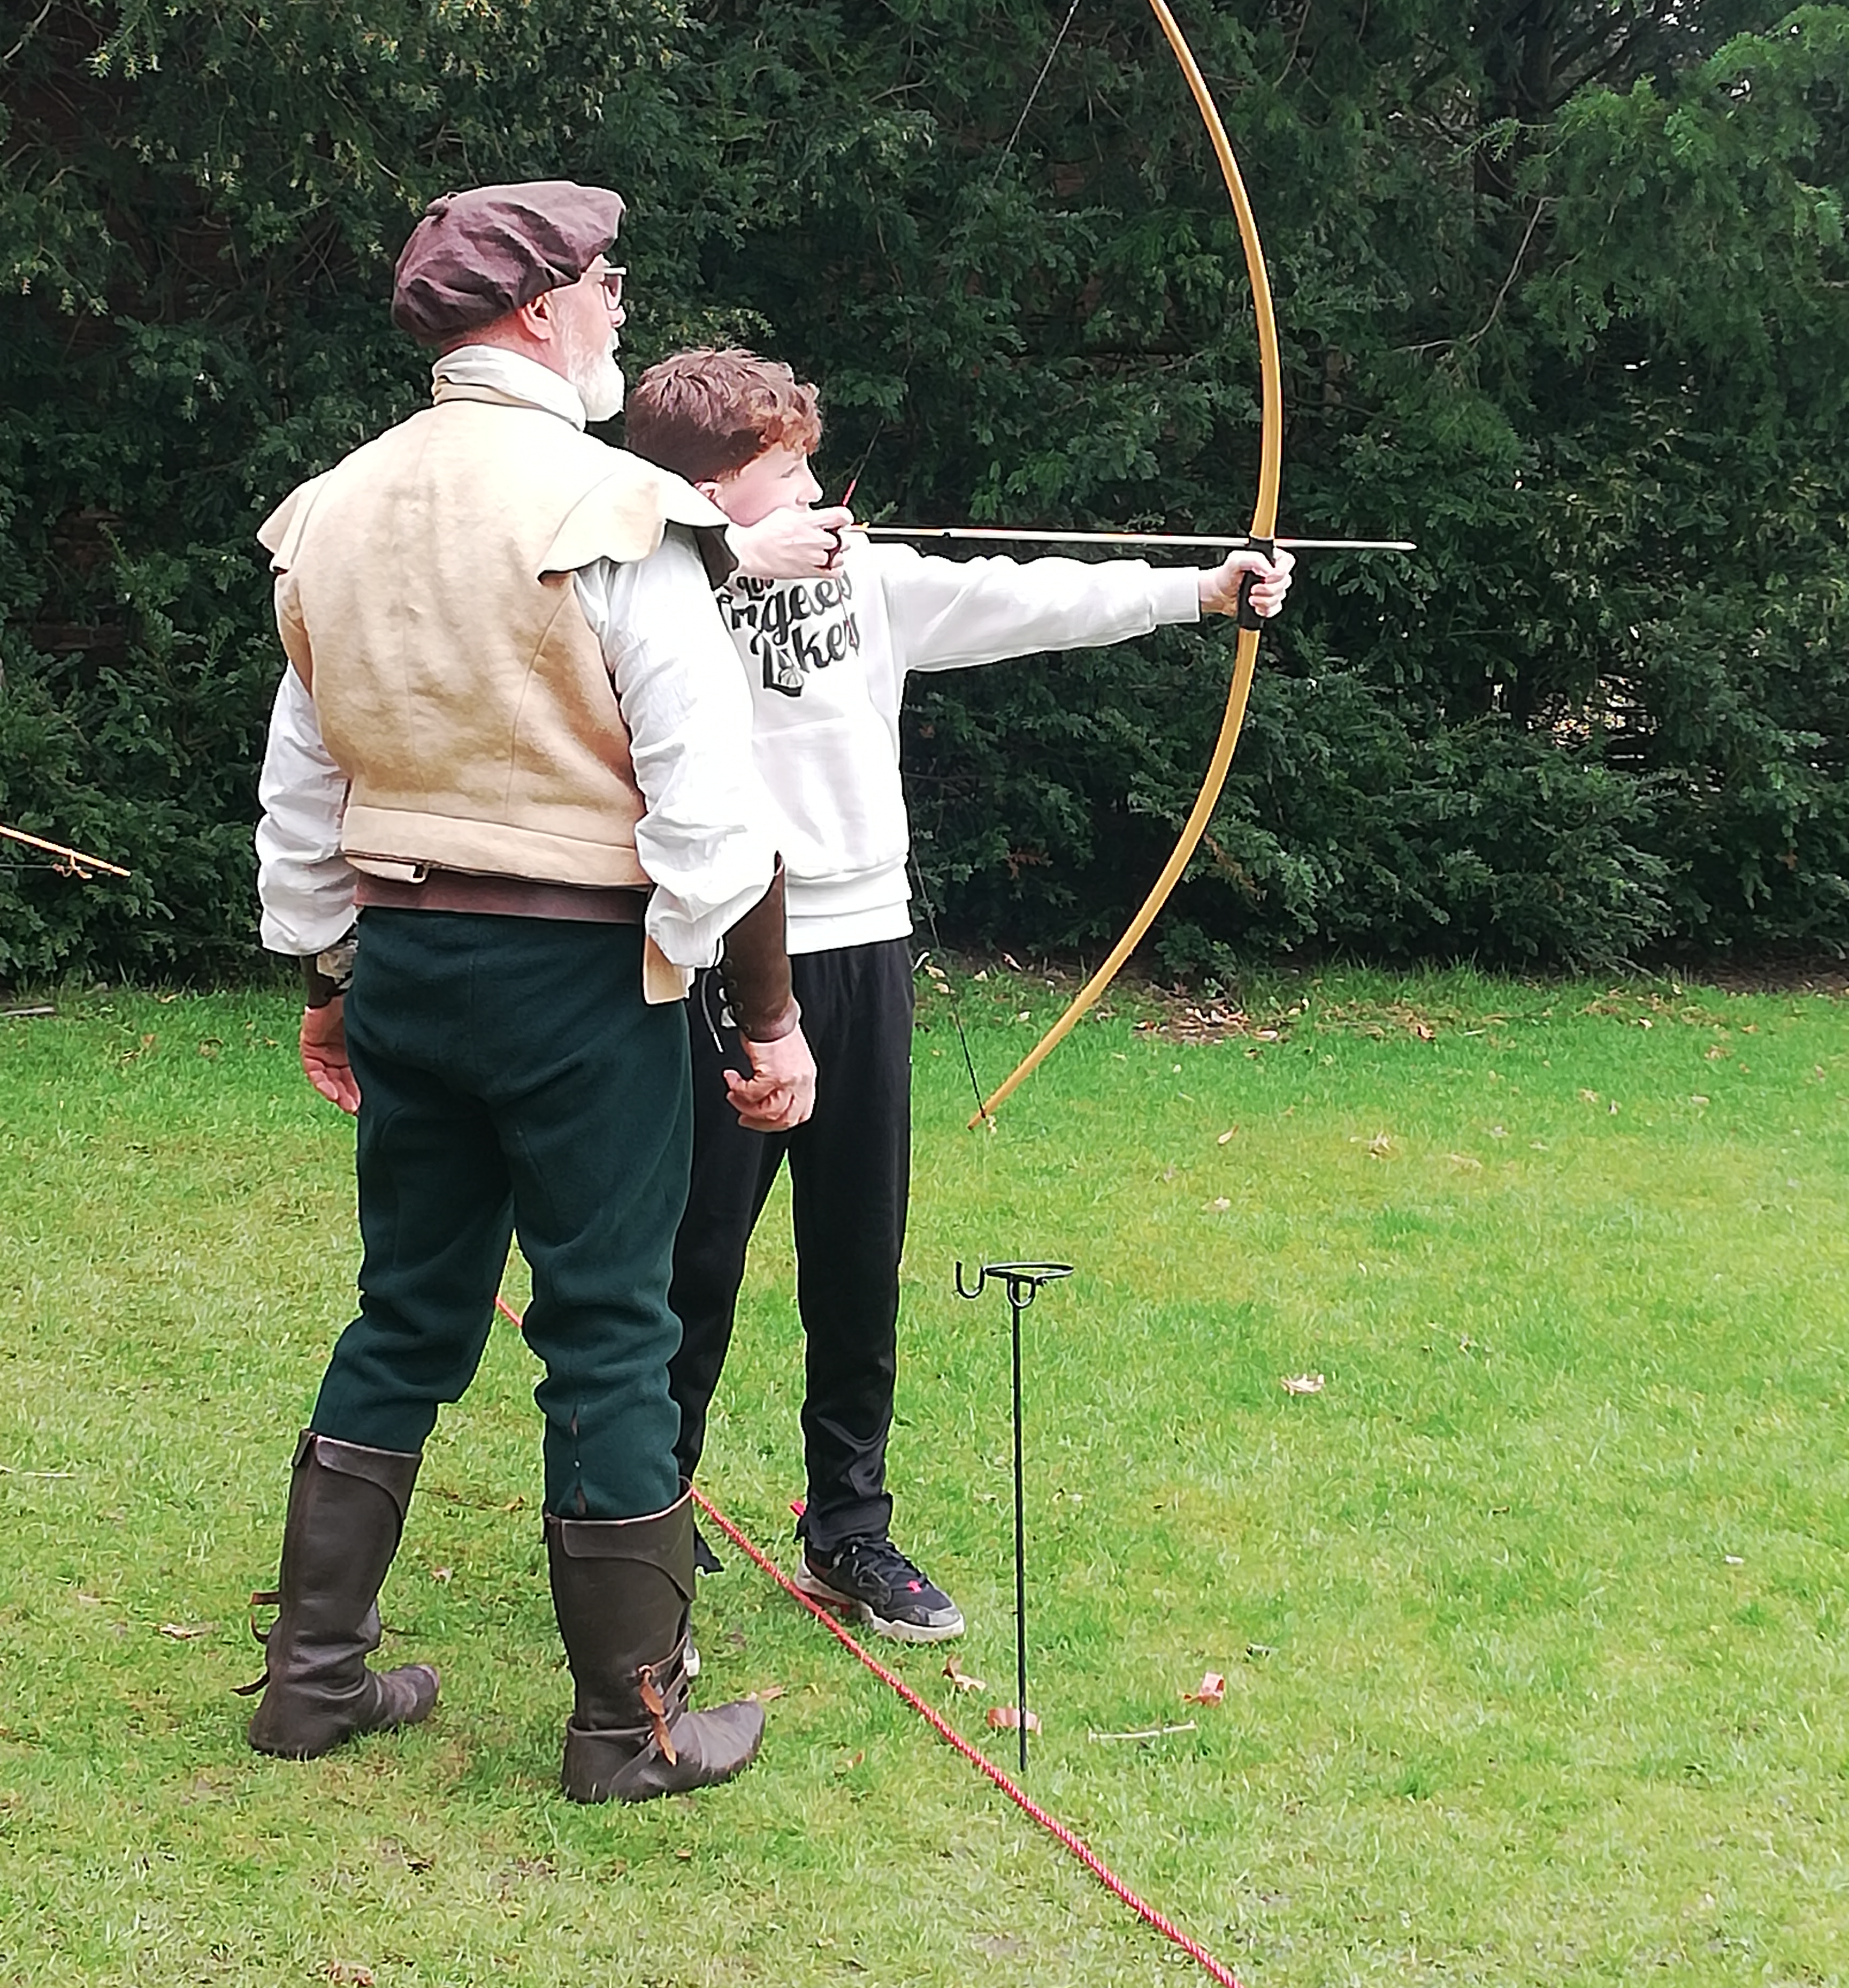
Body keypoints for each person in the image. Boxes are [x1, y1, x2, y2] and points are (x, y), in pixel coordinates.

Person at [248, 184, 816, 1805]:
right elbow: (714, 815)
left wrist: (332, 978)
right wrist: (758, 1014)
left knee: (406, 1311)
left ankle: (312, 1682)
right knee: (611, 1329)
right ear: (541, 308)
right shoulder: (619, 505)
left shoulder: (334, 510)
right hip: (580, 976)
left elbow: (304, 795)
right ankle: (631, 1731)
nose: (620, 305)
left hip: (407, 964)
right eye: (606, 283)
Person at [624, 347, 1294, 1642]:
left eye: (811, 468)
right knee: (693, 1252)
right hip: (719, 950)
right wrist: (726, 562)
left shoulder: (869, 581)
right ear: (705, 497)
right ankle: (650, 1506)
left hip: (863, 943)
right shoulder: (651, 594)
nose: (816, 494)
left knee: (857, 1257)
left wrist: (1204, 592)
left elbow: (1023, 593)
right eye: (783, 476)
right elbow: (597, 621)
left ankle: (849, 1527)